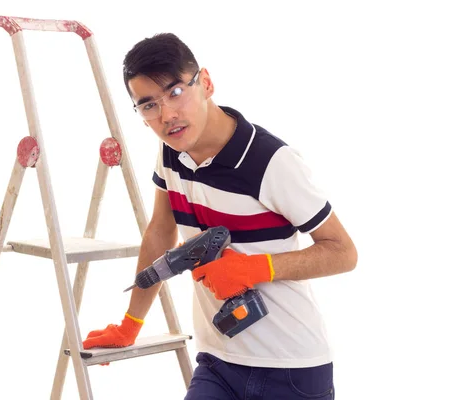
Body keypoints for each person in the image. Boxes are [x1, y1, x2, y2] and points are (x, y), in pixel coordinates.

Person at [82, 32, 357, 399]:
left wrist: (254, 269)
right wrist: (131, 322)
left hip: (292, 369)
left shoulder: (270, 161)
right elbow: (161, 232)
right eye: (148, 105)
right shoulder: (169, 154)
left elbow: (343, 251)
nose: (167, 115)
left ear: (206, 83)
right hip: (217, 362)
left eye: (176, 92)